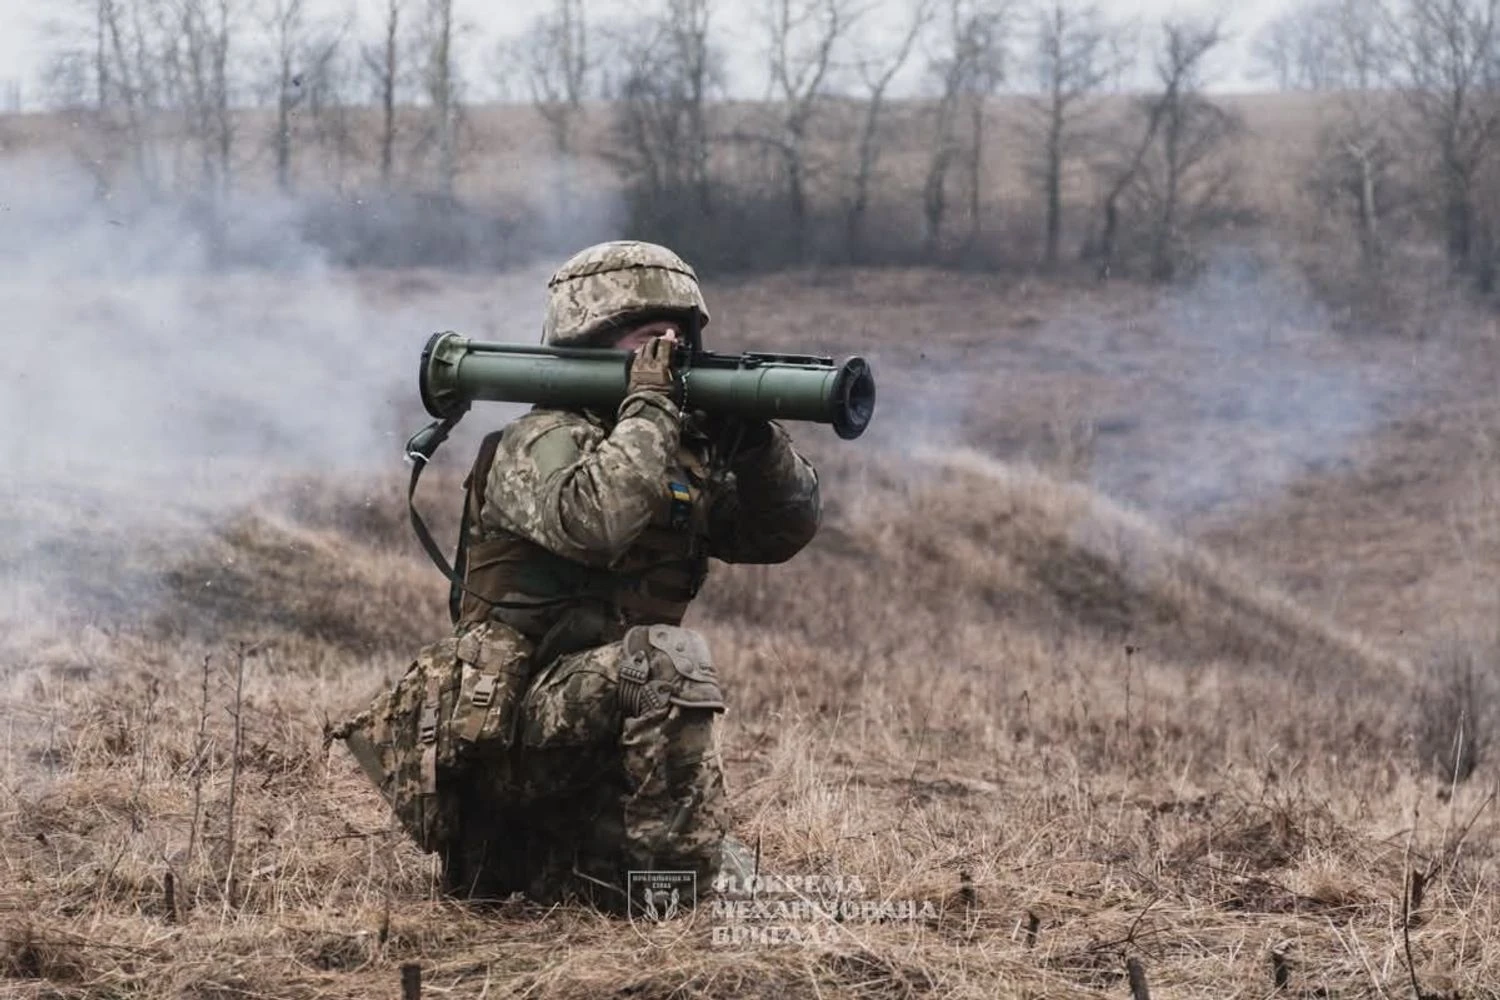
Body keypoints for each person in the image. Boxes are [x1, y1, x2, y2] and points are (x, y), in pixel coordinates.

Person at [339, 240, 821, 912]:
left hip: (599, 741)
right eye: (649, 338)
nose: (672, 350)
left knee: (747, 886)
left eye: (680, 335)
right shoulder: (537, 441)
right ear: (591, 342)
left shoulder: (666, 449)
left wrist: (756, 445)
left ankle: (603, 870)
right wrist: (650, 409)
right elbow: (597, 523)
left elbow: (779, 533)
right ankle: (660, 903)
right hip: (511, 735)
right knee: (665, 660)